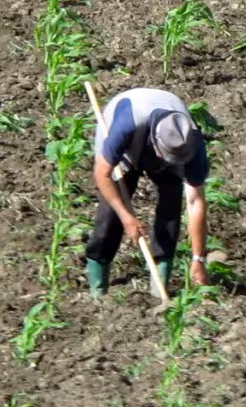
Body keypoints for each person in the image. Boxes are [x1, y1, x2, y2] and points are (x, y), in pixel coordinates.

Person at [87, 88, 210, 297]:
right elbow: (102, 174)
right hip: (128, 141)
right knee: (112, 212)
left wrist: (198, 259)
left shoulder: (190, 142)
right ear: (155, 143)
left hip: (163, 138)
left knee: (171, 202)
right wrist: (127, 218)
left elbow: (196, 202)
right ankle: (98, 278)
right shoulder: (125, 127)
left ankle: (160, 278)